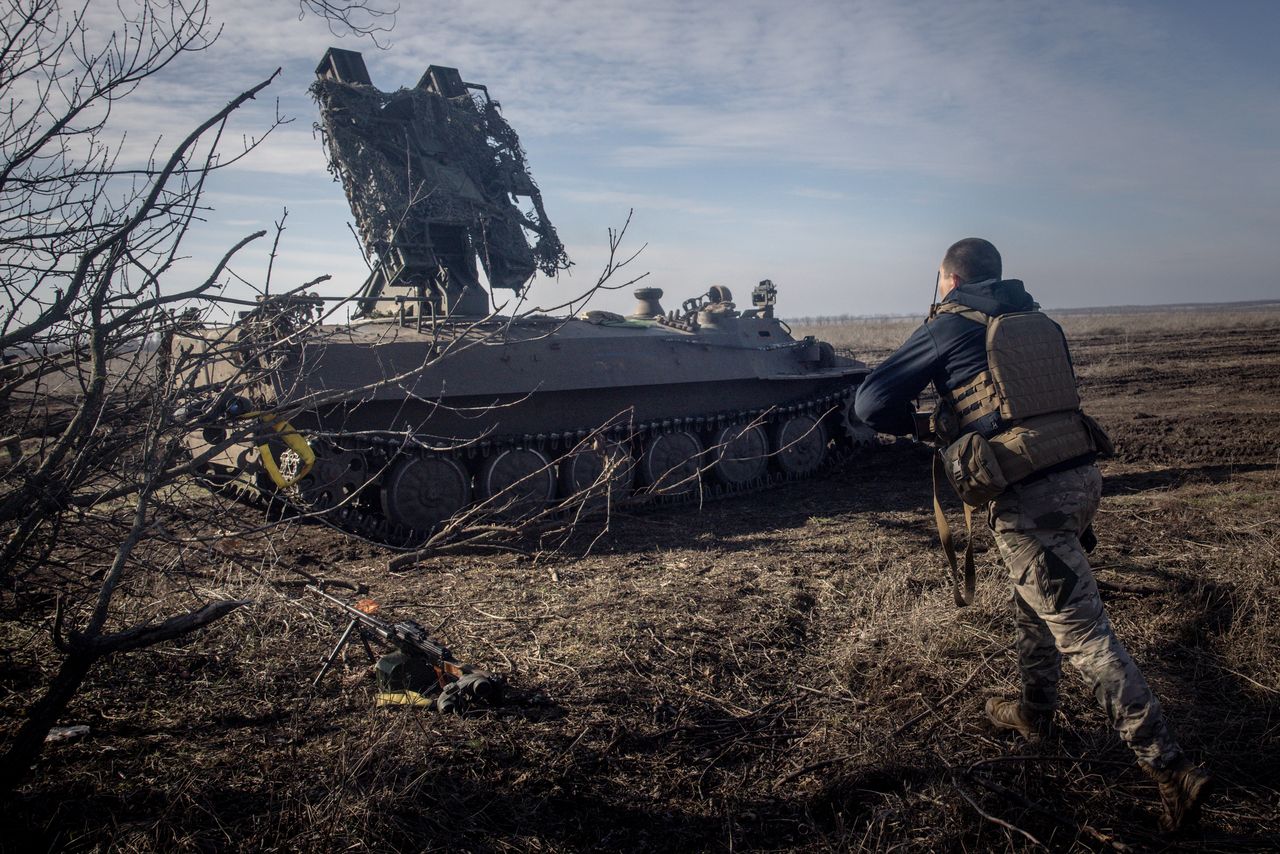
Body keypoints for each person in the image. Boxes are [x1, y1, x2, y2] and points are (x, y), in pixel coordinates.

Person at [853, 238, 1211, 832]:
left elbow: (869, 404)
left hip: (1031, 498)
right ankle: (1034, 712)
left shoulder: (951, 325)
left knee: (1082, 631)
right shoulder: (1035, 318)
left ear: (948, 279)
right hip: (1079, 475)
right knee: (1034, 603)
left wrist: (924, 424)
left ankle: (1170, 768)